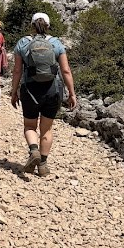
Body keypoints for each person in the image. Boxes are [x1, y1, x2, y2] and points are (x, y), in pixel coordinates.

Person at [10, 11, 77, 176]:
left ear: (32, 25)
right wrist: (72, 93)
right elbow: (66, 70)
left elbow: (17, 70)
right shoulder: (56, 43)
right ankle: (43, 165)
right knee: (46, 129)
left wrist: (14, 91)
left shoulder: (23, 43)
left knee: (29, 126)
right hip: (53, 90)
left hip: (30, 90)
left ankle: (34, 151)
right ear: (47, 26)